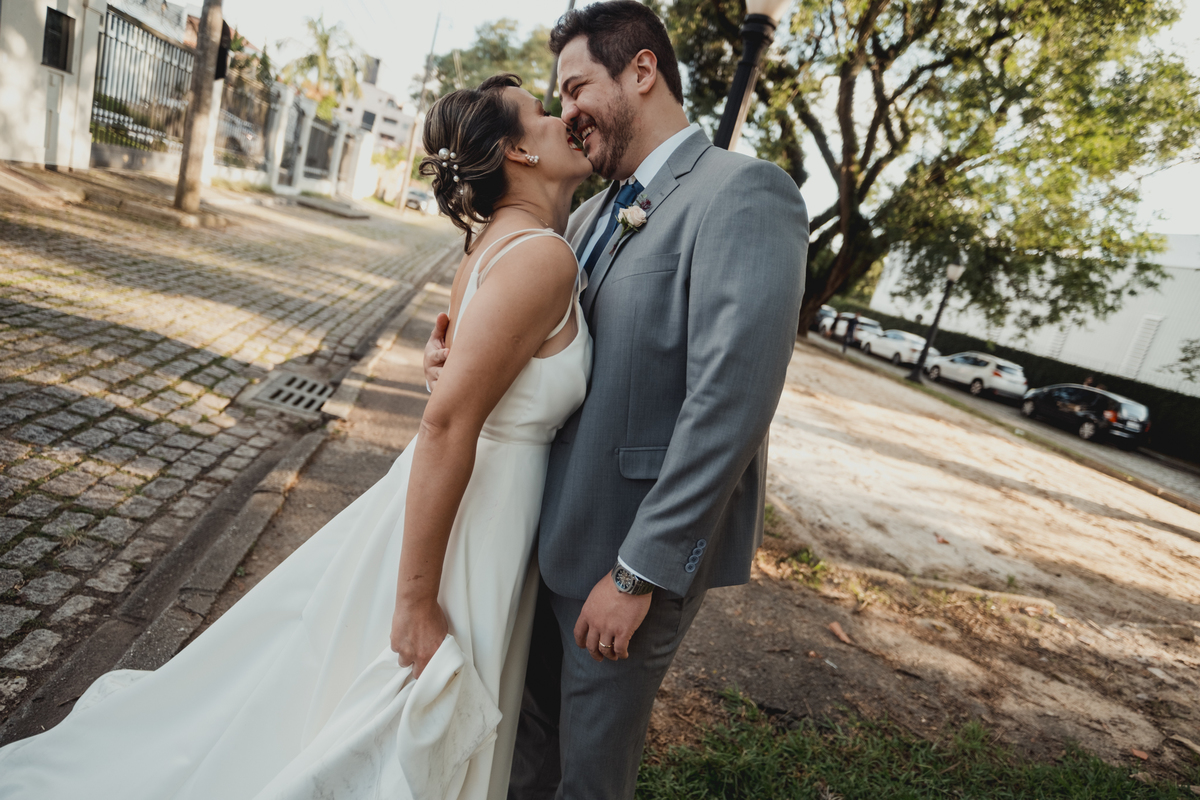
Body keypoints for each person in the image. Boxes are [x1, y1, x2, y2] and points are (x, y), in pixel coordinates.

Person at [0, 74, 595, 800]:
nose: (563, 116)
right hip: (476, 519)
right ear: (516, 153)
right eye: (543, 111)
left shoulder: (491, 251)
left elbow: (466, 388)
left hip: (464, 502)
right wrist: (416, 603)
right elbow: (445, 421)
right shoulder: (541, 256)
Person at [424, 3, 808, 797]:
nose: (567, 112)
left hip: (621, 560)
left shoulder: (745, 194)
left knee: (590, 777)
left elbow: (730, 406)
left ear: (641, 71)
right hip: (534, 542)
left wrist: (638, 576)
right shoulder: (592, 212)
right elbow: (537, 339)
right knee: (525, 759)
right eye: (558, 98)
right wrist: (457, 355)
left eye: (575, 87)